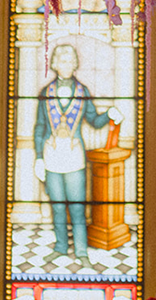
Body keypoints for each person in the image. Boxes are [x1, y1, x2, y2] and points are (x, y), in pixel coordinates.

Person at [33, 44, 122, 262]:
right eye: (62, 61)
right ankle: (61, 246)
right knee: (57, 207)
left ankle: (81, 251)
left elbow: (94, 121)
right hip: (52, 156)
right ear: (55, 64)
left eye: (70, 61)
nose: (66, 65)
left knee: (77, 208)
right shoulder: (46, 93)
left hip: (74, 159)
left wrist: (110, 114)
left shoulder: (83, 92)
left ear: (75, 64)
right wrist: (38, 158)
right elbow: (40, 127)